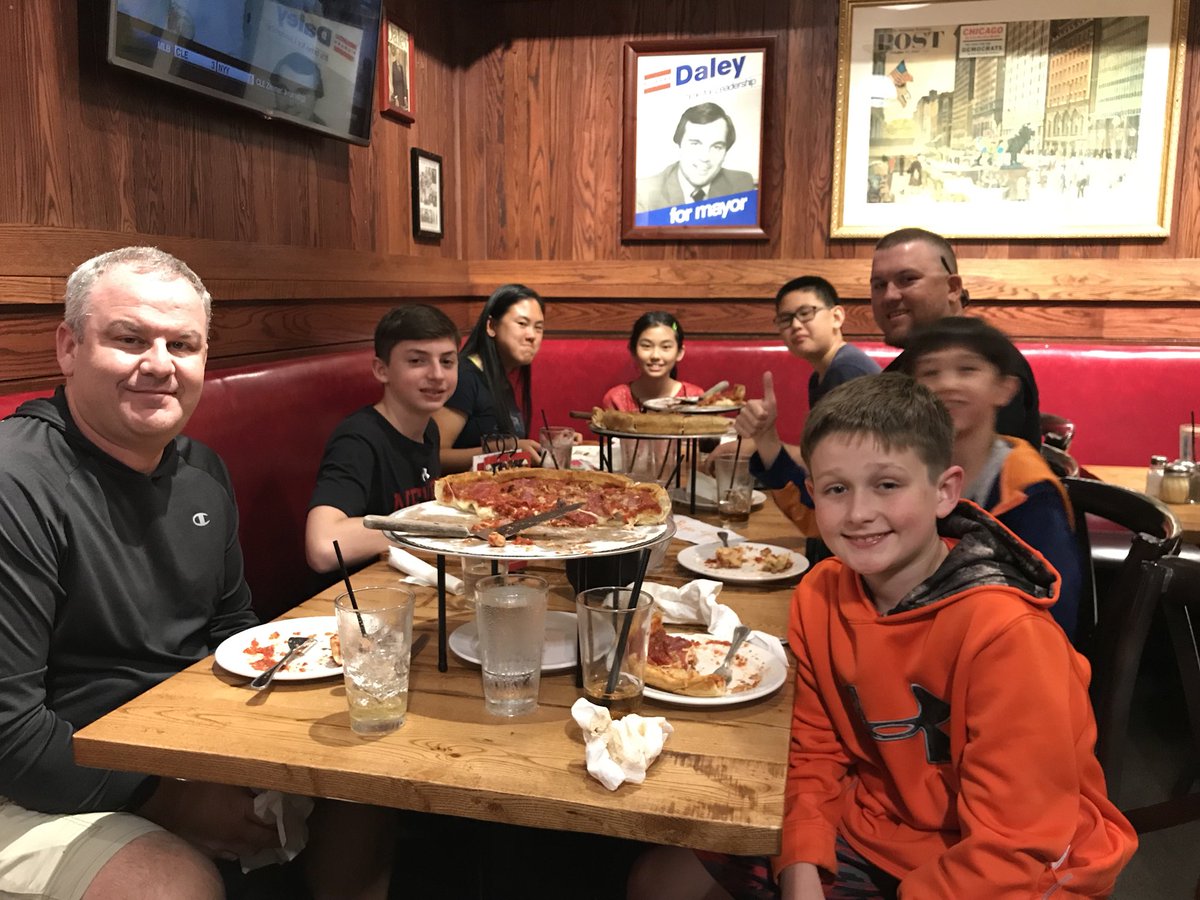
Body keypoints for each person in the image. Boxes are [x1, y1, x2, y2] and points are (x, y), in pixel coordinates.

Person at [630, 374, 1136, 899]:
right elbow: (815, 750)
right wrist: (801, 866)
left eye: (887, 485)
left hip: (1020, 868)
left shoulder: (1008, 635)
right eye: (836, 489)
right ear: (813, 495)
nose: (859, 513)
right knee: (657, 881)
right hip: (879, 824)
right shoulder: (821, 593)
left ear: (945, 492)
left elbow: (1015, 848)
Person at [0, 247, 392, 899]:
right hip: (36, 779)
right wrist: (171, 799)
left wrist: (266, 740)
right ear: (69, 347)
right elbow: (12, 737)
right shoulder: (16, 482)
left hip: (176, 741)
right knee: (172, 886)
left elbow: (232, 630)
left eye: (181, 344)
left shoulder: (201, 471)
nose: (159, 364)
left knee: (368, 768)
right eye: (130, 339)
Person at [898, 316, 1083, 639]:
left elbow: (1055, 612)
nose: (947, 384)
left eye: (967, 369)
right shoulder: (905, 470)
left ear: (1004, 389)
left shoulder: (1028, 492)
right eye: (930, 372)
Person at [306, 304, 458, 573]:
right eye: (417, 361)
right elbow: (323, 546)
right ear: (381, 370)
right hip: (358, 592)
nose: (437, 374)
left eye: (447, 361)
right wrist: (433, 526)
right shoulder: (358, 439)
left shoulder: (429, 429)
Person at [869, 226, 1041, 446]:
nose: (889, 296)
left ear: (952, 288)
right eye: (879, 285)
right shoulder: (900, 371)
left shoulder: (992, 364)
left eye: (908, 279)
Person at [434, 283, 545, 473]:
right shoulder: (464, 377)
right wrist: (506, 449)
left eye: (538, 328)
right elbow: (436, 455)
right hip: (458, 488)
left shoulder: (500, 377)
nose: (532, 336)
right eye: (522, 324)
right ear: (492, 326)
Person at [636, 102, 756, 211]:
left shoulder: (741, 183)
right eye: (695, 144)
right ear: (679, 145)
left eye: (717, 147)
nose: (705, 157)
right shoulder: (644, 192)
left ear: (726, 152)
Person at [601, 311, 703, 411]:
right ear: (633, 350)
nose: (655, 356)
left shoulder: (694, 397)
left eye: (665, 347)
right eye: (646, 346)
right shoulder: (616, 399)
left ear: (679, 352)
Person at [270, 51, 326, 125]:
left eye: (301, 94)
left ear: (316, 97)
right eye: (283, 91)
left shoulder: (324, 130)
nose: (290, 103)